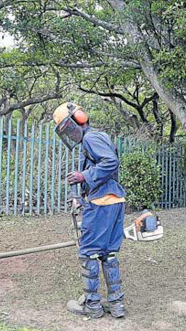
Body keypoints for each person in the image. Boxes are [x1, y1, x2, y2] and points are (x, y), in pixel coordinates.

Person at [53, 102, 126, 319]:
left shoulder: (91, 138)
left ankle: (92, 305)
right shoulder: (98, 137)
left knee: (89, 253)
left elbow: (111, 163)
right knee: (109, 254)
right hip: (115, 201)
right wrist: (80, 197)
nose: (69, 133)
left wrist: (83, 176)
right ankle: (117, 305)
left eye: (68, 127)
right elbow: (104, 170)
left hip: (102, 204)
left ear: (79, 120)